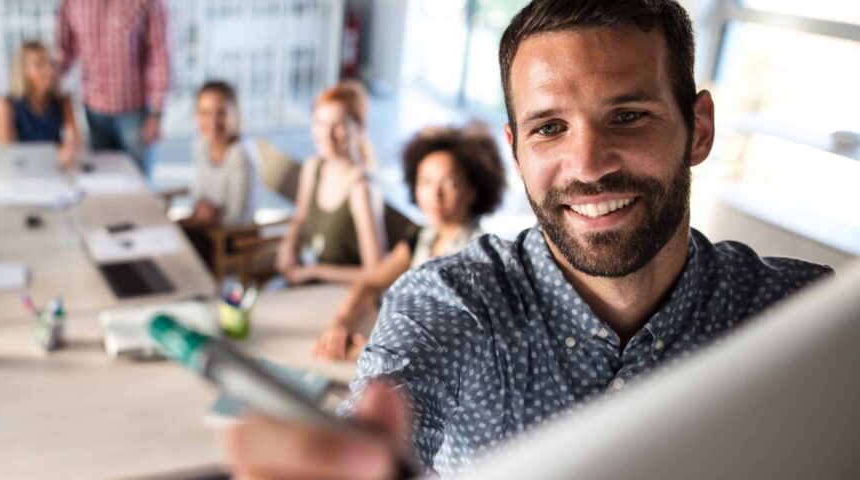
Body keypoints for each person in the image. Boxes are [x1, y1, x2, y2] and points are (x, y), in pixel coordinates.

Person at [225, 0, 834, 477]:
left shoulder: (808, 321)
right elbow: (386, 415)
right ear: (517, 151)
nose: (589, 164)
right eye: (550, 128)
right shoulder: (446, 304)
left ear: (698, 129)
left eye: (628, 115)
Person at [313, 126, 505, 361]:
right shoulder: (421, 235)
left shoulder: (480, 253)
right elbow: (371, 283)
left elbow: (458, 339)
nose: (434, 194)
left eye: (450, 183)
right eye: (425, 181)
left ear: (473, 191)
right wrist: (340, 325)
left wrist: (371, 352)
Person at [275, 82, 384, 285]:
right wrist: (287, 249)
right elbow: (299, 218)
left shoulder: (362, 188)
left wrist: (315, 272)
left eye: (339, 125)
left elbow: (375, 272)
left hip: (343, 293)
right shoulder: (313, 166)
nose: (327, 134)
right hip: (307, 279)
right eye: (320, 123)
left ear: (359, 127)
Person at [56, 0, 171, 178]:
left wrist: (156, 113)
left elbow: (160, 54)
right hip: (93, 111)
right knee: (102, 180)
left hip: (135, 112)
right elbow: (63, 51)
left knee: (137, 182)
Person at [178, 80, 257, 269]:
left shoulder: (241, 156)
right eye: (205, 113)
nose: (213, 122)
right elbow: (198, 193)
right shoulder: (201, 144)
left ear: (235, 115)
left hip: (231, 237)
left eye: (221, 113)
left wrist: (206, 218)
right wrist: (201, 209)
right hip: (205, 226)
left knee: (178, 250)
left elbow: (238, 217)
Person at [0, 41, 83, 169]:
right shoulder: (6, 105)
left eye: (50, 63)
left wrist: (71, 148)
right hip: (23, 173)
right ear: (23, 70)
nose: (49, 69)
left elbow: (73, 139)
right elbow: (8, 152)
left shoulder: (62, 101)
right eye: (39, 64)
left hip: (55, 170)